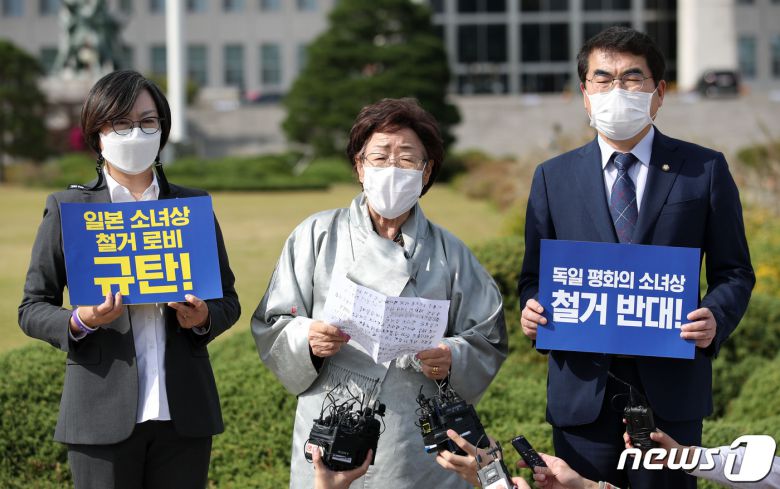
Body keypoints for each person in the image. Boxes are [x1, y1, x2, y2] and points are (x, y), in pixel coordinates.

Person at [517, 26, 755, 488]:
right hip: (582, 393)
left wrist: (715, 318)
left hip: (671, 392)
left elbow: (735, 271)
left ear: (659, 92)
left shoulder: (703, 170)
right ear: (585, 93)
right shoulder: (553, 177)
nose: (616, 90)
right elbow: (533, 277)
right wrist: (533, 308)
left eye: (631, 78)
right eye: (602, 79)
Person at [251, 97, 507, 487]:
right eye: (379, 157)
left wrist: (451, 355)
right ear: (359, 166)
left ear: (426, 172)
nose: (392, 168)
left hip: (414, 429)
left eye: (406, 158)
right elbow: (272, 321)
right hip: (330, 420)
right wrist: (307, 338)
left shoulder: (450, 252)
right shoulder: (316, 235)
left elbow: (488, 334)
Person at [18, 70, 240, 489]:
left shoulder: (190, 207)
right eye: (121, 122)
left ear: (162, 129)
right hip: (99, 417)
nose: (135, 132)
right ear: (98, 133)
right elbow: (31, 308)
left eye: (147, 121)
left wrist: (203, 318)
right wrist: (82, 320)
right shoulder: (69, 209)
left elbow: (228, 300)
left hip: (185, 416)